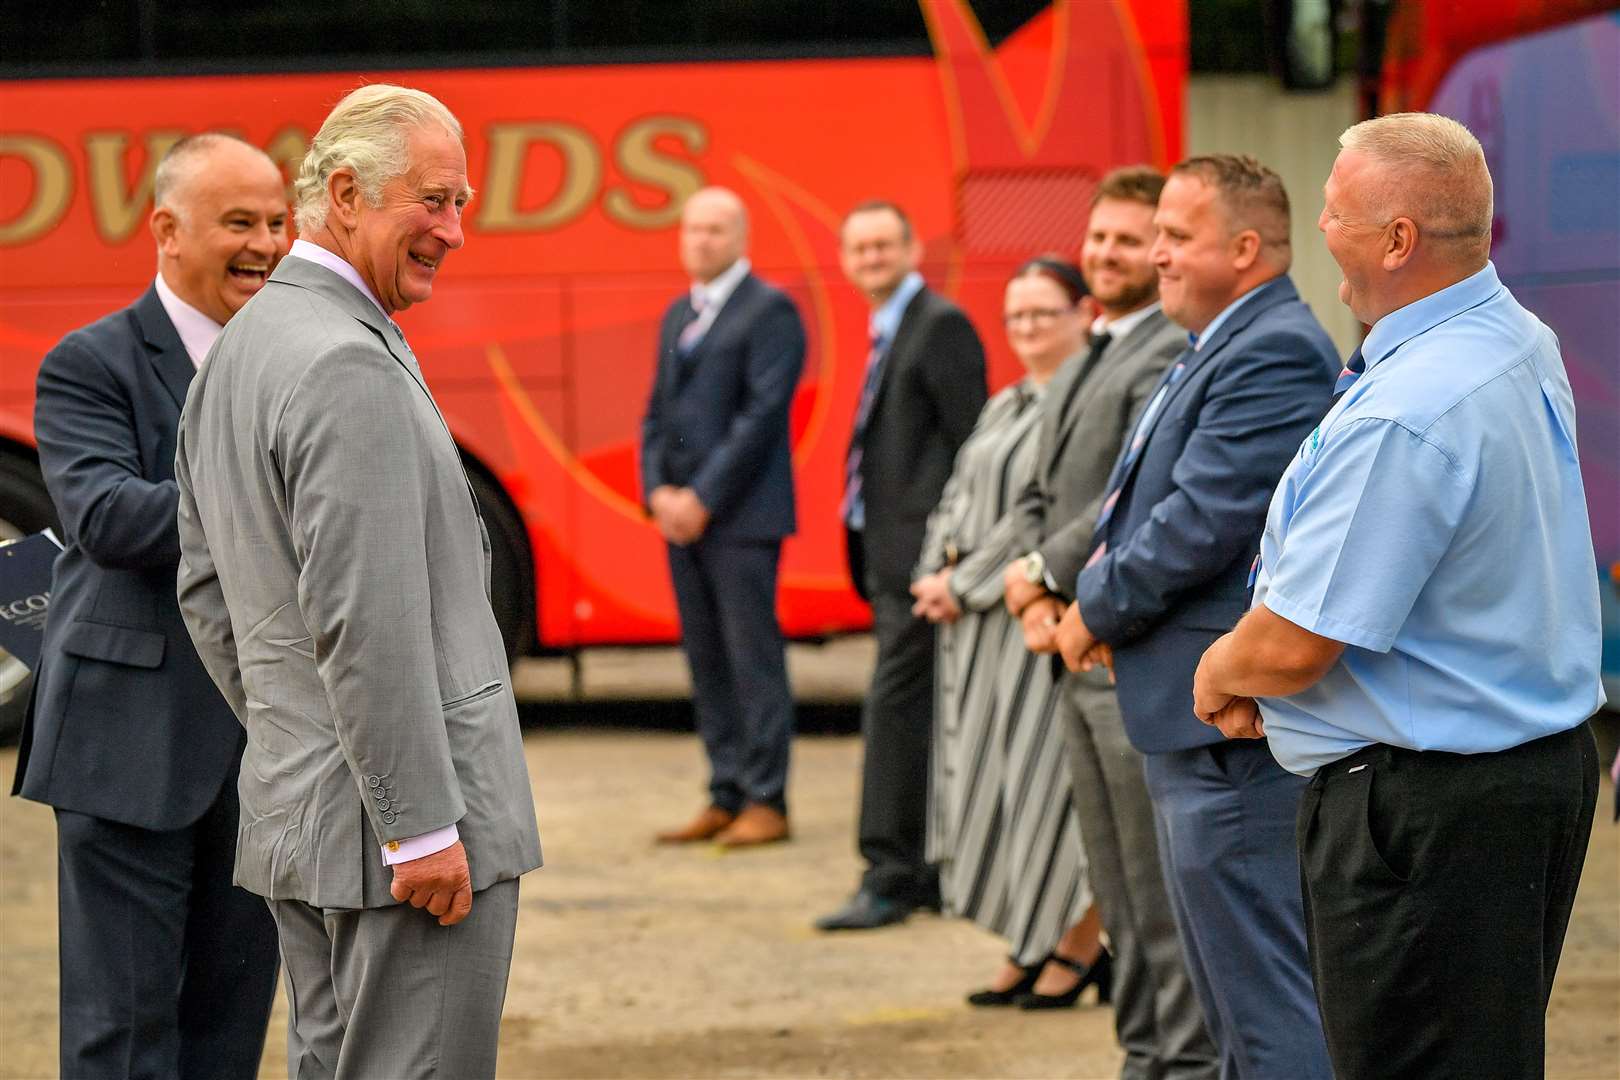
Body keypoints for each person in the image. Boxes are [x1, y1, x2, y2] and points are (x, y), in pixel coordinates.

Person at [1192, 113, 1604, 1080]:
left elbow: (1293, 646)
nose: (1321, 231)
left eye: (1333, 213)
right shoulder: (1514, 337)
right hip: (1514, 779)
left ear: (1398, 239)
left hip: (1423, 808)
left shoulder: (1410, 408)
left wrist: (1218, 667)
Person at [174, 84, 542, 1078]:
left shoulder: (235, 355)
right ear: (344, 193)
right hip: (404, 848)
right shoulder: (345, 361)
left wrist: (300, 734)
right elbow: (367, 624)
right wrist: (419, 823)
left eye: (460, 203)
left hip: (311, 819)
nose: (455, 231)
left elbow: (210, 600)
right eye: (434, 200)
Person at [1053, 154, 1337, 1078]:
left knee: (1265, 1013)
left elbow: (1199, 520)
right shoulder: (1217, 341)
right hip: (1191, 727)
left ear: (1247, 249)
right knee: (1230, 1012)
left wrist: (1090, 607)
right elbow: (1143, 502)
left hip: (1230, 744)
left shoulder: (1273, 349)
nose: (1159, 257)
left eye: (1178, 237)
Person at [11, 133, 286, 1079]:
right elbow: (110, 519)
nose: (266, 243)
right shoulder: (88, 362)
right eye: (239, 222)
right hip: (127, 746)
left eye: (278, 222)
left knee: (228, 1038)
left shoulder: (299, 363)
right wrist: (280, 499)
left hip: (267, 758)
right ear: (167, 231)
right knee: (123, 1041)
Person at [1004, 168, 1218, 1074]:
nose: (1109, 254)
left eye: (1130, 241)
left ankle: (1181, 1062)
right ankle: (1142, 1056)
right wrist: (1030, 577)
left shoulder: (1168, 352)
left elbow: (1129, 504)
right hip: (1072, 647)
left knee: (1159, 895)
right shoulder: (1092, 348)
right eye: (1100, 239)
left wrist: (1050, 580)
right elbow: (1041, 489)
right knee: (1119, 889)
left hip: (1122, 650)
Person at [910, 256, 1109, 1009]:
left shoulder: (1084, 400)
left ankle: (1081, 943)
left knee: (1050, 784)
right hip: (978, 629)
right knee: (1002, 783)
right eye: (1016, 316)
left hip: (1035, 620)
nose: (1027, 329)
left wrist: (962, 583)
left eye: (1043, 314)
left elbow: (1046, 512)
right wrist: (935, 569)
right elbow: (960, 494)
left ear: (1081, 314)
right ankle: (1031, 939)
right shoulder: (1007, 402)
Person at [816, 200, 987, 931]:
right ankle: (920, 871)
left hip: (922, 561)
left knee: (893, 706)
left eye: (885, 245)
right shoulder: (890, 329)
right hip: (888, 554)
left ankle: (887, 873)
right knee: (915, 708)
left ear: (913, 248)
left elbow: (970, 446)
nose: (872, 258)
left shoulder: (939, 326)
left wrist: (946, 553)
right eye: (860, 248)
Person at [641, 186, 806, 848]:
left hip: (742, 520)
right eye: (692, 230)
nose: (701, 241)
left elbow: (761, 420)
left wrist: (702, 498)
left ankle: (768, 799)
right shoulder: (678, 312)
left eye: (714, 230)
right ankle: (725, 791)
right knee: (706, 657)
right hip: (682, 520)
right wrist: (657, 492)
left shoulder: (771, 311)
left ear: (740, 236)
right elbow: (654, 413)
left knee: (751, 657)